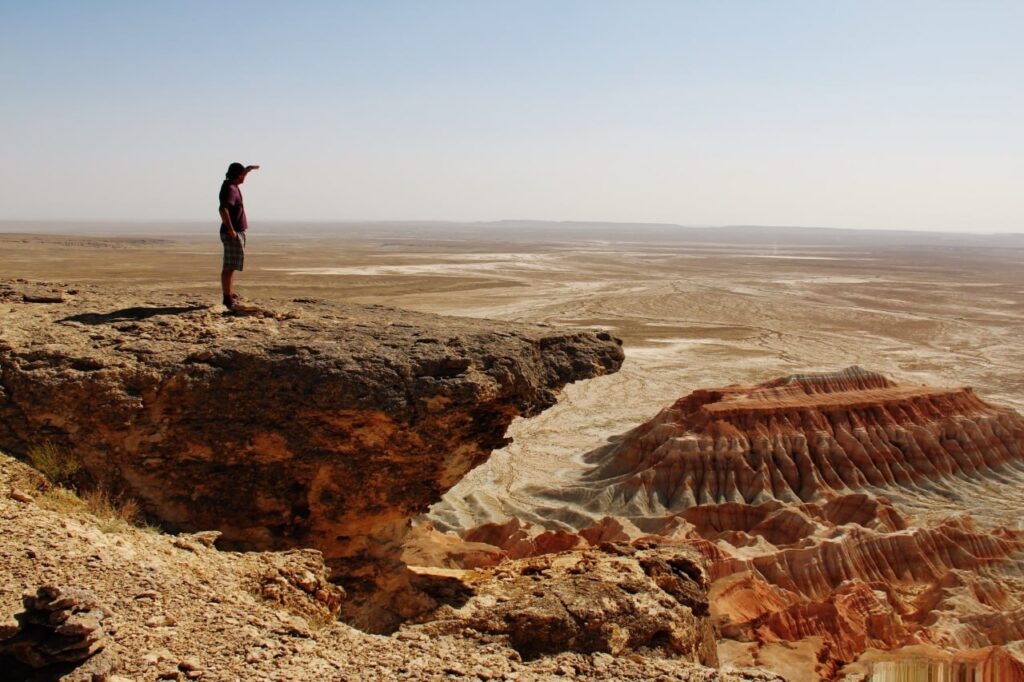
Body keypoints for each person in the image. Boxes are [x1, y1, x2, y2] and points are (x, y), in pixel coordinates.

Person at [219, 162, 259, 309]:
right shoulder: (230, 189)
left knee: (232, 265)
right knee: (229, 267)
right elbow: (223, 209)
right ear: (238, 176)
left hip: (236, 232)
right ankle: (227, 299)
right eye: (242, 175)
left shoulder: (232, 185)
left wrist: (247, 170)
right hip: (232, 233)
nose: (244, 179)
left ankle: (228, 293)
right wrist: (231, 230)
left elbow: (240, 179)